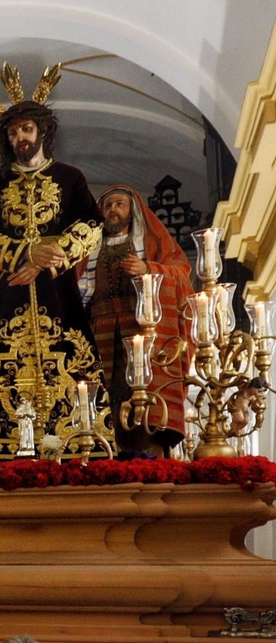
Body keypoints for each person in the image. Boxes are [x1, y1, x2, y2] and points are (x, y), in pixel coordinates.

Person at [0, 67, 103, 459]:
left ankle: (81, 442)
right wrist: (24, 254)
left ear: (42, 131)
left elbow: (92, 225)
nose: (18, 138)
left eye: (25, 130)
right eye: (12, 133)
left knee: (74, 363)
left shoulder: (70, 178)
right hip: (7, 294)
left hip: (58, 292)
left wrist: (47, 260)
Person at [77, 184, 192, 454]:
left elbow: (181, 272)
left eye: (120, 204)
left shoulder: (148, 243)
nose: (113, 210)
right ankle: (106, 452)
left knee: (141, 394)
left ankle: (147, 451)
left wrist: (148, 269)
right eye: (107, 206)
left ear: (133, 211)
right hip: (100, 333)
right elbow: (77, 287)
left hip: (139, 329)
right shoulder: (88, 249)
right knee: (104, 395)